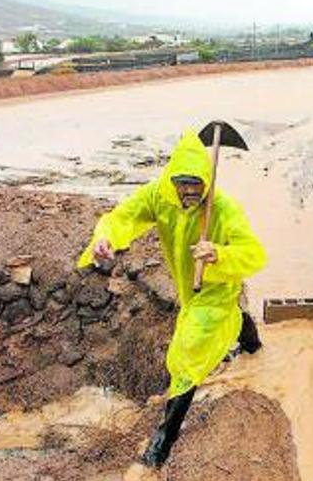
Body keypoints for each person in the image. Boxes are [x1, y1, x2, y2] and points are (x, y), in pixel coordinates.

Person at [77, 129, 267, 468]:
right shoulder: (158, 196)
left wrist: (220, 254)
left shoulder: (223, 208)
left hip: (216, 288)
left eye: (197, 186)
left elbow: (254, 254)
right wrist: (106, 238)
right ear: (172, 181)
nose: (190, 193)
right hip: (187, 288)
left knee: (187, 355)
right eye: (184, 185)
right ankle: (254, 347)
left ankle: (163, 440)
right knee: (233, 322)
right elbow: (123, 216)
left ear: (206, 182)